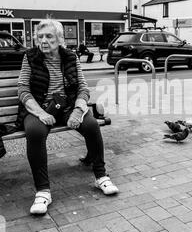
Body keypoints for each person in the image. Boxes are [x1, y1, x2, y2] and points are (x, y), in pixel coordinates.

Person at [17, 19, 119, 215]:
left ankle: (101, 176)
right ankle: (43, 191)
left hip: (67, 106)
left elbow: (83, 88)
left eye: (49, 36)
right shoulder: (30, 57)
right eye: (40, 37)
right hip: (39, 107)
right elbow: (23, 89)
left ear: (60, 39)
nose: (43, 41)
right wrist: (41, 113)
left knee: (90, 125)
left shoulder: (71, 57)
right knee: (35, 132)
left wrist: (78, 111)